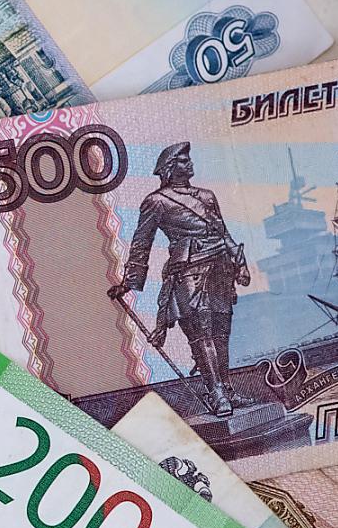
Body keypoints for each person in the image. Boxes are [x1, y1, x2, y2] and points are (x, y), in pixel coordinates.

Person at [108, 142, 253, 417]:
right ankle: (216, 393)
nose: (190, 163)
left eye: (189, 159)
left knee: (221, 333)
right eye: (184, 161)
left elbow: (223, 233)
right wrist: (129, 283)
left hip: (220, 268)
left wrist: (240, 264)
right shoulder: (156, 201)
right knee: (202, 333)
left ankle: (228, 388)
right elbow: (142, 244)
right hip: (188, 273)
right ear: (170, 168)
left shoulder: (207, 196)